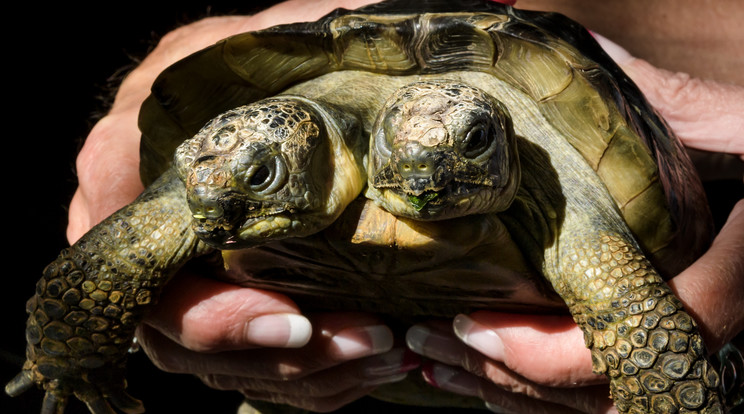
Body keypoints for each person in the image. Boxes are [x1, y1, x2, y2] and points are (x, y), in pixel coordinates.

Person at [66, 0, 743, 412]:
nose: (423, 173)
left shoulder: (558, 184)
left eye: (471, 145)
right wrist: (75, 344)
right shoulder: (262, 148)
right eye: (405, 153)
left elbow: (643, 328)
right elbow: (116, 253)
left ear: (500, 141)